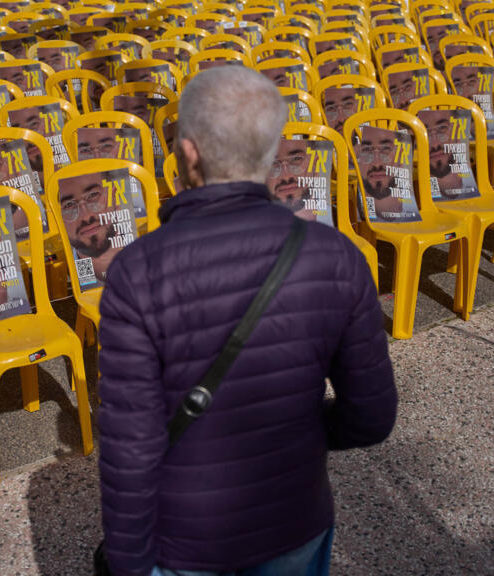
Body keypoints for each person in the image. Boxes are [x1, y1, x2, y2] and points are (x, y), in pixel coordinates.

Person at [97, 66, 396, 576]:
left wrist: (127, 562)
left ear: (187, 153)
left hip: (186, 537)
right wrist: (298, 432)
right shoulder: (337, 255)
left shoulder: (136, 272)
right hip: (294, 520)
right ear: (269, 152)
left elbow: (132, 447)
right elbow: (371, 417)